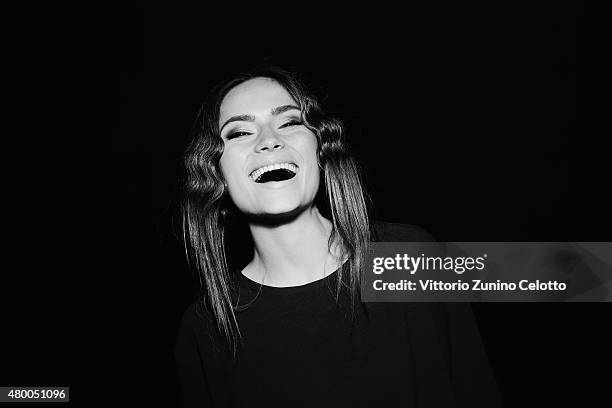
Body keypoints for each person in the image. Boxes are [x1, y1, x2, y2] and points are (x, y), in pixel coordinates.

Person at [174, 64, 502, 407]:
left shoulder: (411, 259)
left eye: (288, 122)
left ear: (320, 149)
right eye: (239, 132)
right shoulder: (205, 328)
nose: (269, 141)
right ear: (214, 171)